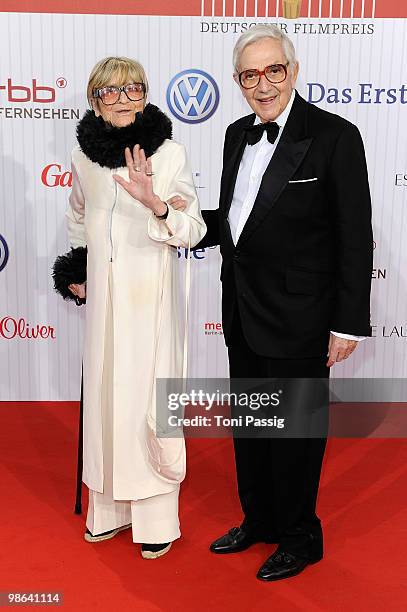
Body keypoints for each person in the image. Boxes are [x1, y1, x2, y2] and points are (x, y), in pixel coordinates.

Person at [198, 25, 373, 580]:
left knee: (295, 436)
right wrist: (166, 215)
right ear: (238, 82)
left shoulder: (335, 136)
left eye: (274, 70)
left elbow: (354, 236)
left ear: (293, 71)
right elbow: (233, 225)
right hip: (242, 312)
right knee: (250, 428)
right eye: (250, 75)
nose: (263, 83)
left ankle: (300, 537)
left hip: (302, 318)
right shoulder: (233, 134)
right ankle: (261, 521)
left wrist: (348, 322)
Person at [66, 56, 206, 559]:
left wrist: (156, 204)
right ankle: (108, 510)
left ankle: (156, 520)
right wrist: (79, 269)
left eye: (134, 89)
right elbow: (79, 215)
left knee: (149, 403)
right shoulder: (83, 157)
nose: (123, 99)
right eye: (111, 91)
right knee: (107, 399)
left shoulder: (170, 153)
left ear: (146, 94)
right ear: (94, 98)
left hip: (151, 300)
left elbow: (195, 230)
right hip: (105, 306)